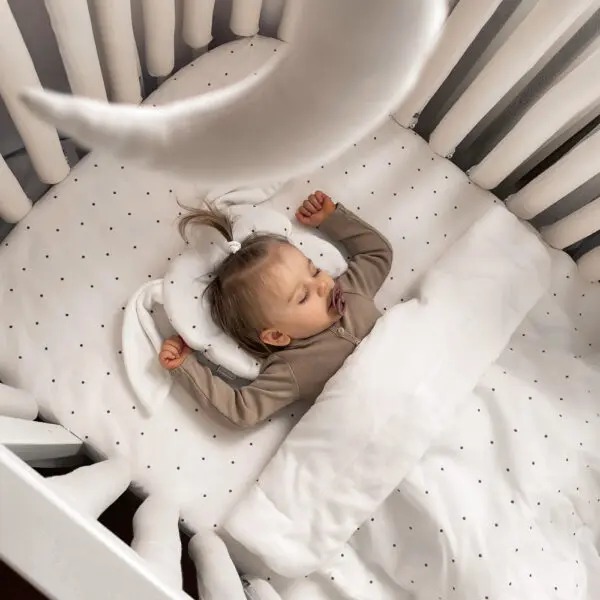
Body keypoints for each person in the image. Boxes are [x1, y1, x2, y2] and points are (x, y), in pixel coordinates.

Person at [159, 191, 392, 428]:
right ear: (277, 335)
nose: (323, 285)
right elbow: (241, 411)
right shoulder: (291, 368)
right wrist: (186, 367)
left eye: (314, 271)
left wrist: (332, 219)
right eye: (303, 297)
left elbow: (377, 253)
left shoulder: (351, 289)